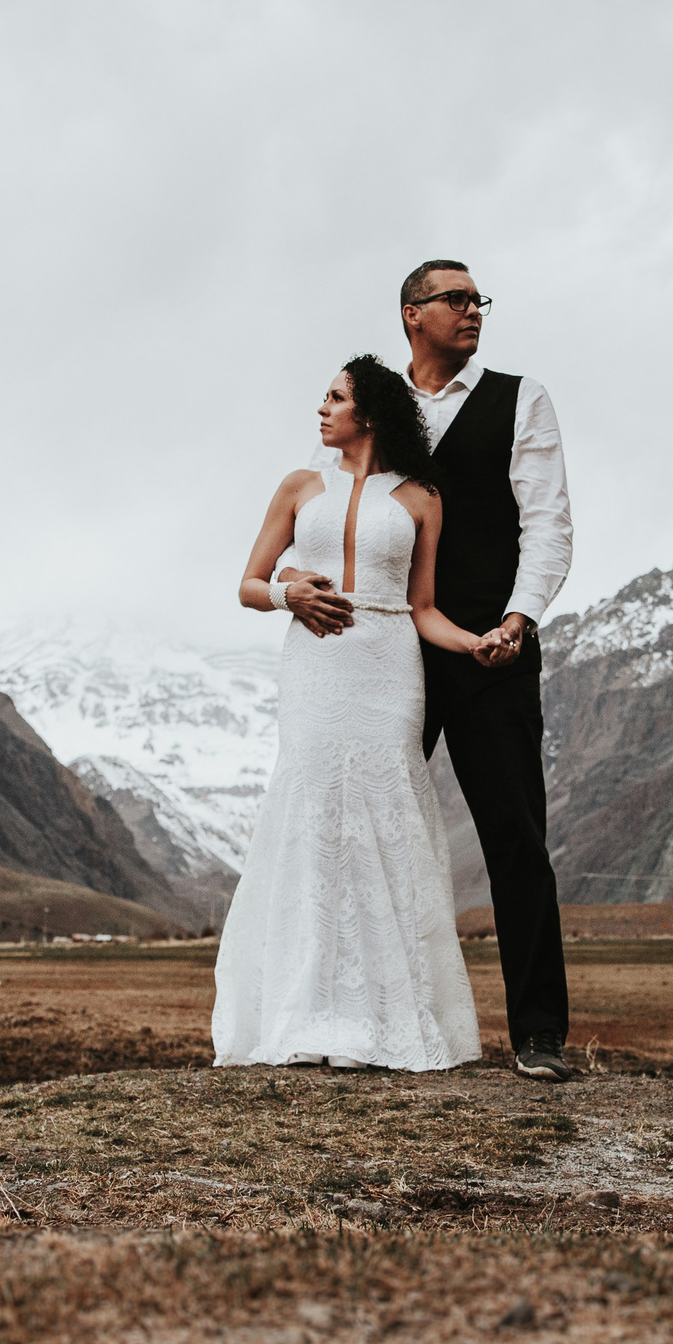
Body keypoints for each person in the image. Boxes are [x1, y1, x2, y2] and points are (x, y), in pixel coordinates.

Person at [278, 261, 577, 1083]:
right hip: (381, 657)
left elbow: (548, 524)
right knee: (365, 830)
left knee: (514, 832)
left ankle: (540, 1034)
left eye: (479, 299)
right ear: (413, 315)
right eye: (456, 298)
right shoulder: (372, 404)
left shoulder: (522, 399)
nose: (473, 310)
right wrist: (291, 589)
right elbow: (323, 510)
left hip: (484, 646)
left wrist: (516, 620)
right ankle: (349, 1020)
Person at [210, 355, 509, 1071]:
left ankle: (383, 1016)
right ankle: (300, 1011)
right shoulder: (298, 485)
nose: (322, 410)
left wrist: (477, 643)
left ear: (369, 413)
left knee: (386, 816)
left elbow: (424, 609)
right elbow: (249, 584)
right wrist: (291, 596)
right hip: (314, 665)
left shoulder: (419, 498)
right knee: (311, 812)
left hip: (387, 664)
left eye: (336, 398)